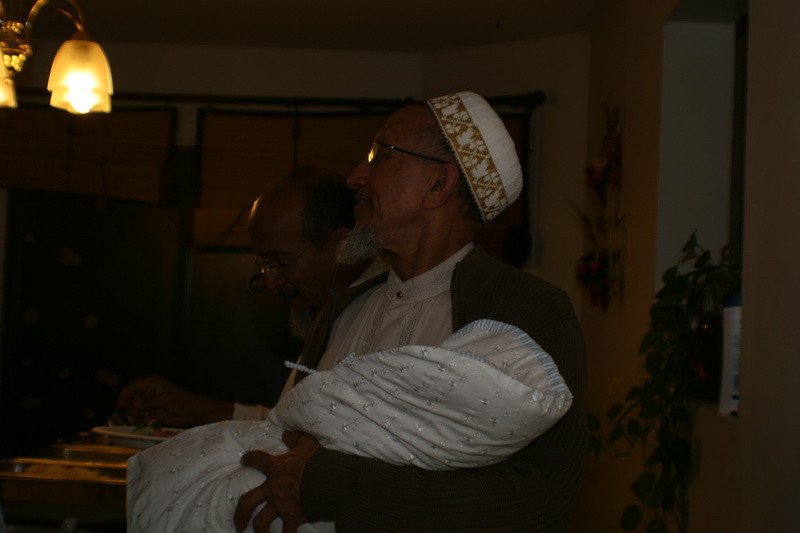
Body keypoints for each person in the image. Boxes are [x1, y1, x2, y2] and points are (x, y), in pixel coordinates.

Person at [129, 91, 587, 533]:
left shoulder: (528, 310)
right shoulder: (344, 309)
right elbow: (283, 440)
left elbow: (538, 507)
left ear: (438, 184)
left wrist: (326, 484)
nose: (354, 177)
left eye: (379, 156)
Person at [116, 166, 382, 427]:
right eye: (263, 264)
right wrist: (194, 410)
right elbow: (289, 428)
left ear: (340, 244)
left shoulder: (379, 322)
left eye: (281, 261)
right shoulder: (333, 317)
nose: (269, 280)